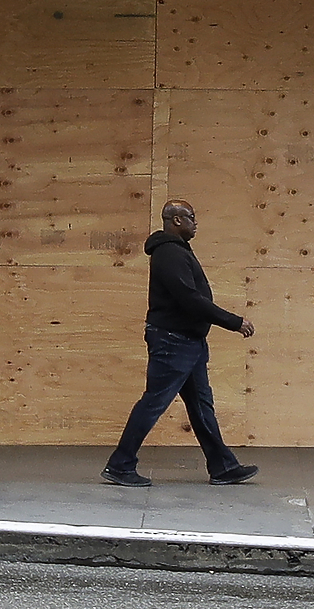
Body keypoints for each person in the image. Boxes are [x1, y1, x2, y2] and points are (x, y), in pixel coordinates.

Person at [102, 199, 260, 488]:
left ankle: (223, 467)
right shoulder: (169, 253)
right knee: (154, 402)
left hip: (189, 342)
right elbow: (190, 299)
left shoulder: (178, 251)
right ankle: (120, 465)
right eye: (191, 217)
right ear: (176, 220)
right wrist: (233, 322)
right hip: (173, 342)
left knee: (201, 406)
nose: (195, 222)